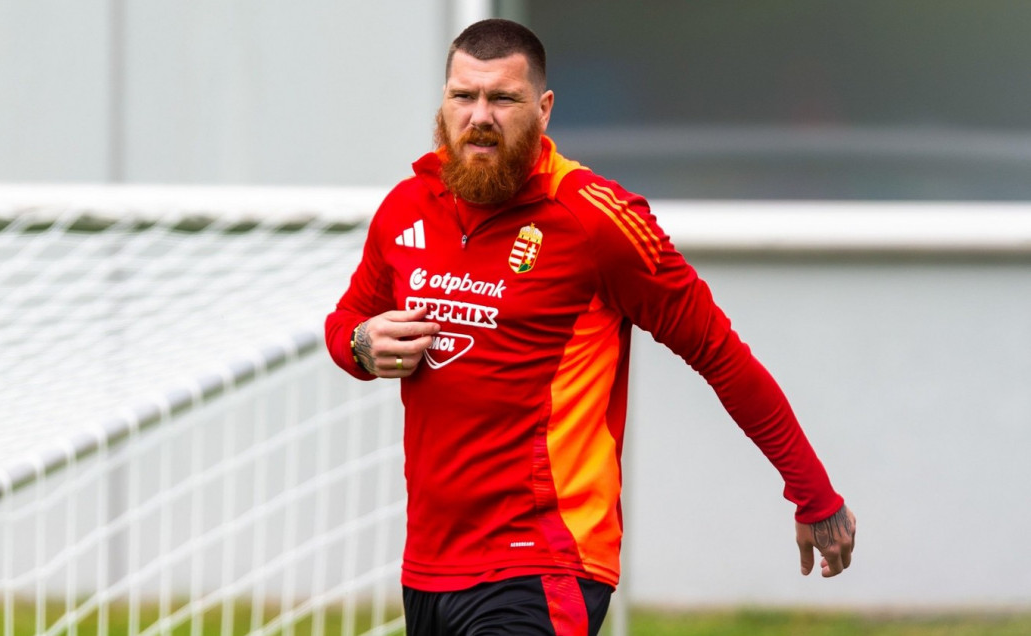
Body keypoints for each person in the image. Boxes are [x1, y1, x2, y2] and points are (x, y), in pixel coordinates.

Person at [325, 18, 855, 636]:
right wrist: (362, 345)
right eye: (463, 96)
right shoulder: (406, 209)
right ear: (442, 104)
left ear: (543, 109)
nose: (480, 116)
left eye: (503, 98)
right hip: (430, 567)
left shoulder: (594, 219)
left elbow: (719, 352)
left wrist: (812, 494)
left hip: (547, 562)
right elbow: (347, 324)